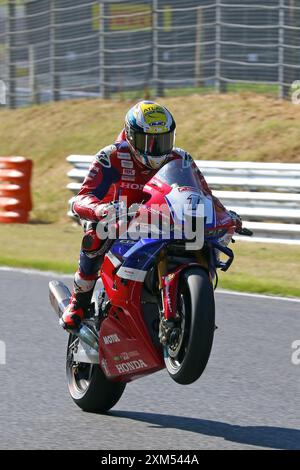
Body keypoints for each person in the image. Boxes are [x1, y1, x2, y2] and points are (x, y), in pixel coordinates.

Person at [61, 100, 241, 329]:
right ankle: (79, 301)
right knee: (95, 234)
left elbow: (204, 194)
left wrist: (225, 214)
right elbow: (81, 197)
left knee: (204, 239)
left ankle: (193, 312)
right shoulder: (112, 156)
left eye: (163, 140)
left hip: (164, 221)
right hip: (121, 220)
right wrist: (100, 209)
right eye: (148, 141)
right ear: (130, 135)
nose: (156, 149)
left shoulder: (181, 159)